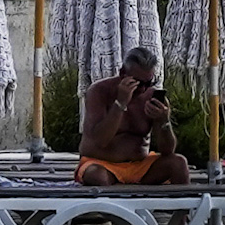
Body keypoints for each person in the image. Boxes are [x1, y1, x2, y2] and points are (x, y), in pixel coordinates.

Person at [77, 47, 189, 186]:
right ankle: (116, 205)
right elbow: (101, 140)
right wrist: (120, 103)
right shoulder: (99, 92)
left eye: (148, 83)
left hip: (140, 166)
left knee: (179, 164)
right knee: (96, 176)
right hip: (103, 164)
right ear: (123, 73)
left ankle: (182, 208)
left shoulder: (152, 97)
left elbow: (167, 150)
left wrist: (164, 121)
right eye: (137, 83)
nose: (142, 89)